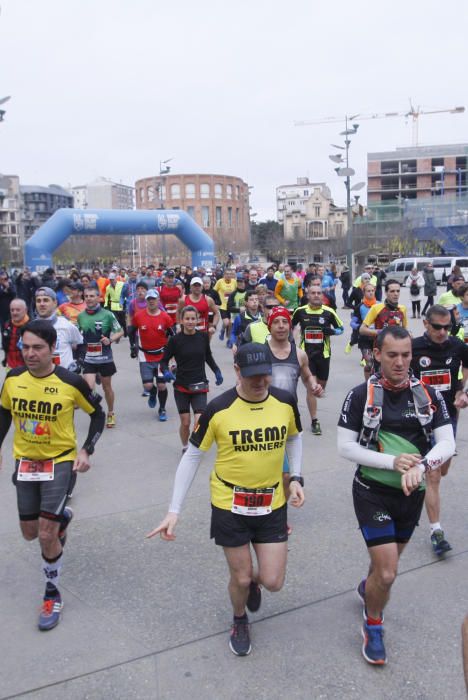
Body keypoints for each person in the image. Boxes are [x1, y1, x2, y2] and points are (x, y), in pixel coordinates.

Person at [147, 342, 304, 656]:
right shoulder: (218, 408)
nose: (260, 382)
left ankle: (254, 584)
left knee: (273, 581)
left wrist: (297, 477)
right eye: (252, 376)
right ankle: (239, 617)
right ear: (237, 372)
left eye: (265, 375)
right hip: (228, 503)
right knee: (241, 577)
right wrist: (173, 510)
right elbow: (192, 457)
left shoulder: (285, 402)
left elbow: (294, 437)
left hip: (272, 502)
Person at [337, 326, 455, 665]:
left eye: (406, 355)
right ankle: (374, 625)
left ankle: (368, 588)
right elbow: (345, 447)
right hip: (372, 491)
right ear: (377, 354)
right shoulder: (360, 395)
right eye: (392, 355)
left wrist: (423, 466)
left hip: (411, 493)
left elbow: (447, 443)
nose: (401, 362)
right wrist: (392, 462)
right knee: (388, 573)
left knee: (384, 566)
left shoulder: (426, 395)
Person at [0, 319, 105, 630]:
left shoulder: (71, 382)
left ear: (51, 350)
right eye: (26, 347)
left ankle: (51, 592)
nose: (30, 354)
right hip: (26, 462)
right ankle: (62, 519)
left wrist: (86, 450)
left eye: (38, 348)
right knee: (29, 533)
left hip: (59, 462)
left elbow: (96, 414)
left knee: (46, 535)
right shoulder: (13, 378)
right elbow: (4, 411)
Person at [410, 304, 468, 554]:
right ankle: (436, 531)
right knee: (433, 476)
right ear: (426, 324)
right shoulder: (413, 348)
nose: (443, 332)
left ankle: (426, 467)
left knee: (442, 470)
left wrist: (464, 391)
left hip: (448, 417)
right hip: (421, 418)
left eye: (447, 327)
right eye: (437, 327)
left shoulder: (458, 346)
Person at [160, 306, 223, 451]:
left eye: (193, 318)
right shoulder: (175, 340)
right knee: (186, 422)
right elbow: (164, 361)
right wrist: (166, 371)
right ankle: (185, 446)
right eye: (187, 319)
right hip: (181, 386)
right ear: (181, 320)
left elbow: (208, 356)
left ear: (198, 320)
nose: (190, 321)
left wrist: (217, 371)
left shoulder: (202, 337)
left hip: (200, 385)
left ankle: (195, 447)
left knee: (199, 420)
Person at [292, 283, 344, 435]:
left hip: (323, 355)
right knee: (312, 388)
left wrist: (332, 331)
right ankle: (314, 420)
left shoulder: (328, 312)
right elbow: (291, 327)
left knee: (321, 386)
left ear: (322, 295)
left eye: (318, 293)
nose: (316, 295)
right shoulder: (300, 312)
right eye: (313, 293)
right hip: (306, 356)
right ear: (308, 295)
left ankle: (316, 394)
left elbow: (342, 329)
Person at [77, 286, 124, 428]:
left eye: (92, 296)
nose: (89, 299)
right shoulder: (81, 316)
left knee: (107, 387)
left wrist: (109, 340)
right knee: (88, 388)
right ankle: (97, 412)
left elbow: (120, 331)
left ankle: (111, 412)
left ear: (98, 298)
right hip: (89, 358)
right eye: (86, 296)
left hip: (105, 358)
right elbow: (79, 335)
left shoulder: (108, 315)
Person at [128, 289, 174, 421]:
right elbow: (131, 331)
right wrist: (132, 346)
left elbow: (173, 335)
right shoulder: (139, 316)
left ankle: (162, 408)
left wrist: (172, 352)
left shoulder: (165, 317)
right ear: (146, 301)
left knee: (162, 385)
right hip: (144, 355)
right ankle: (152, 392)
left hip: (161, 355)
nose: (151, 301)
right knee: (148, 386)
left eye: (154, 298)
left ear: (158, 300)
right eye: (149, 299)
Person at [35, 287, 83, 371]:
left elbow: (79, 343)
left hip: (64, 377)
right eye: (38, 301)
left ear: (55, 303)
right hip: (41, 377)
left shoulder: (66, 325)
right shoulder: (30, 328)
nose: (41, 304)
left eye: (46, 300)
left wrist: (75, 364)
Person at [359, 279, 408, 347]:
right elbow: (362, 329)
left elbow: (405, 329)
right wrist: (381, 332)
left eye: (398, 291)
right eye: (392, 291)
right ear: (386, 292)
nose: (396, 294)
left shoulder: (403, 309)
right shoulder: (376, 308)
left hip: (396, 347)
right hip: (380, 348)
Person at [2, 298, 29, 370]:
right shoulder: (7, 324)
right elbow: (5, 345)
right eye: (12, 310)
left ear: (25, 310)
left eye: (18, 310)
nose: (14, 312)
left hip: (26, 367)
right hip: (10, 365)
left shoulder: (31, 326)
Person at [214, 268, 237, 342]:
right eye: (227, 274)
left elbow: (237, 292)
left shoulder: (234, 282)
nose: (228, 275)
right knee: (227, 322)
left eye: (230, 274)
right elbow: (214, 292)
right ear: (224, 275)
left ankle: (228, 338)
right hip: (223, 306)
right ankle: (223, 330)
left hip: (231, 306)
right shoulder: (220, 282)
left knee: (230, 323)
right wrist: (216, 302)